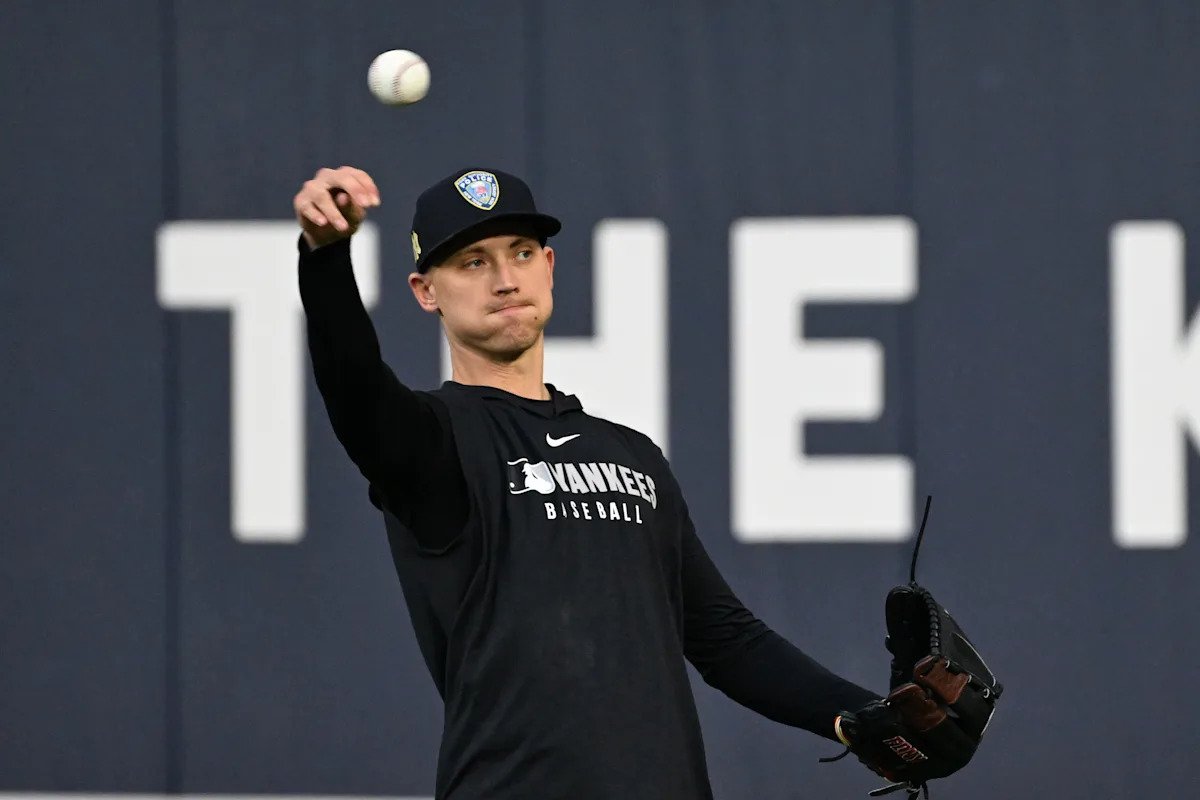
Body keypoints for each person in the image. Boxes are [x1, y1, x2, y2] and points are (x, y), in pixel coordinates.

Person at [294, 165, 880, 800]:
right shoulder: (433, 444)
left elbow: (726, 638)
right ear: (425, 291)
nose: (505, 279)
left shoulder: (634, 455)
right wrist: (325, 256)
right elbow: (353, 382)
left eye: (521, 253)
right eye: (473, 262)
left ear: (549, 266)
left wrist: (864, 718)